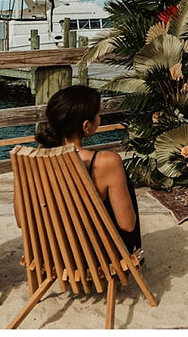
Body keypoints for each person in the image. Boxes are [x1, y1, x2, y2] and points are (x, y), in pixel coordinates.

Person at [34, 84, 141, 252]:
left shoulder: (33, 161)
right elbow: (127, 225)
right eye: (98, 115)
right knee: (122, 180)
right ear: (86, 126)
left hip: (55, 252)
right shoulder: (106, 162)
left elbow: (21, 221)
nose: (100, 119)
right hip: (96, 255)